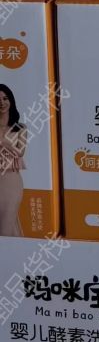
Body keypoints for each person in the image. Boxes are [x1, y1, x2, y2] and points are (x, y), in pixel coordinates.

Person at [0, 84, 27, 237]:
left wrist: (5, 143)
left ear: (11, 101)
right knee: (8, 224)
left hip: (11, 180)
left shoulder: (20, 127)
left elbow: (20, 152)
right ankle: (17, 248)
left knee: (5, 225)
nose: (2, 102)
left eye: (5, 98)